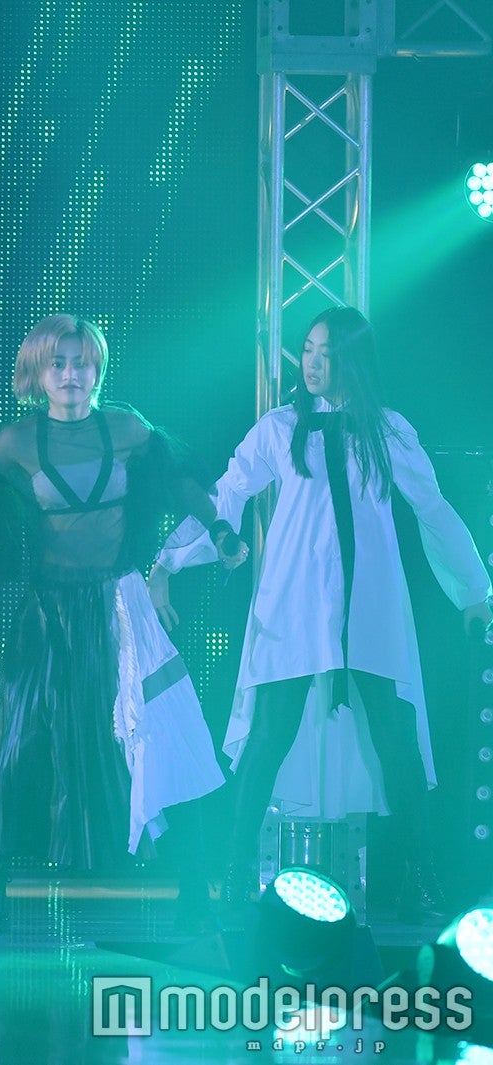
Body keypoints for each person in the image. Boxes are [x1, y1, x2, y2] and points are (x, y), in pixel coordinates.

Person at [149, 306, 492, 918]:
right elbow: (227, 494)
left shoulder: (388, 431)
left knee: (395, 736)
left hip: (370, 605)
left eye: (327, 352)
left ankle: (420, 876)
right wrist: (170, 561)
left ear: (353, 361)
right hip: (296, 602)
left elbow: (432, 510)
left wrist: (473, 593)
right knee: (269, 735)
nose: (312, 362)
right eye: (307, 348)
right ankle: (235, 876)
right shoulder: (279, 428)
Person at [0, 314, 228, 933]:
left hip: (120, 607)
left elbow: (183, 484)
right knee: (20, 739)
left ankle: (192, 888)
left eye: (81, 363)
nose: (71, 374)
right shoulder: (19, 440)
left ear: (97, 370)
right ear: (37, 373)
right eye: (58, 363)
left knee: (160, 734)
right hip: (47, 615)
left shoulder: (128, 428)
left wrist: (221, 529)